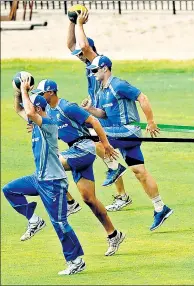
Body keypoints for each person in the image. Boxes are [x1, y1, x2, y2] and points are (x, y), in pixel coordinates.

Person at [32, 79, 126, 256]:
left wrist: (105, 144)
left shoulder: (67, 107)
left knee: (49, 164)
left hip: (84, 148)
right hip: (74, 151)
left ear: (50, 92)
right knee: (89, 199)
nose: (39, 96)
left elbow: (95, 123)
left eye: (41, 93)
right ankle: (114, 234)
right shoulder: (48, 112)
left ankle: (70, 203)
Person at [2, 77, 85, 275]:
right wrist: (17, 93)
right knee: (9, 189)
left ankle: (76, 260)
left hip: (53, 183)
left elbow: (29, 111)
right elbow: (20, 110)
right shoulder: (36, 122)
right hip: (38, 178)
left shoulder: (48, 124)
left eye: (32, 108)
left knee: (60, 223)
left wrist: (24, 88)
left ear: (39, 110)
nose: (28, 113)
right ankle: (33, 220)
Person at [83, 55, 173, 231]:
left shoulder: (118, 85)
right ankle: (161, 208)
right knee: (140, 171)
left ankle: (114, 168)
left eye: (95, 70)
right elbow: (104, 114)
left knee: (92, 136)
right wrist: (90, 110)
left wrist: (151, 121)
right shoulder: (101, 90)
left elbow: (143, 98)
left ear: (104, 68)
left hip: (128, 131)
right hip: (120, 134)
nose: (92, 74)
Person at [67, 9, 131, 213]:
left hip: (106, 114)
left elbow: (83, 45)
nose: (79, 56)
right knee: (104, 150)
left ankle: (122, 192)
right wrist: (70, 22)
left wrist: (79, 23)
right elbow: (71, 45)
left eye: (82, 54)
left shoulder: (97, 60)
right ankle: (122, 194)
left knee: (102, 147)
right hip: (96, 111)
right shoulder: (89, 65)